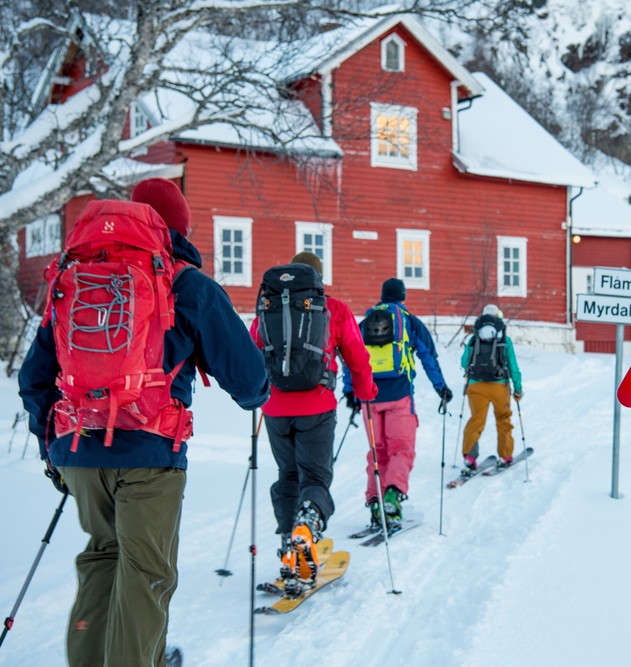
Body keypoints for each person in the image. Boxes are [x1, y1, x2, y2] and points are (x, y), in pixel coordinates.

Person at [18, 178, 270, 667]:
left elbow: (34, 378)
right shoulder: (185, 283)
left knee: (101, 557)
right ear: (179, 227)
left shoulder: (76, 277)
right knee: (144, 572)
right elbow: (249, 378)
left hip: (80, 448)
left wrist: (53, 447)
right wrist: (257, 394)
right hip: (152, 453)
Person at [249, 252, 377, 585]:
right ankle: (306, 530)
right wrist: (365, 391)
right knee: (315, 478)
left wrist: (255, 394)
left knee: (287, 474)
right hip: (317, 407)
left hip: (275, 408)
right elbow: (357, 356)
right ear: (319, 279)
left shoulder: (269, 307)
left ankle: (288, 544)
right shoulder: (332, 308)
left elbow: (252, 350)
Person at [342, 277, 453, 527]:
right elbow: (428, 356)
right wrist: (441, 388)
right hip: (400, 395)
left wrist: (350, 391)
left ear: (382, 296)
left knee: (377, 453)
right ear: (402, 297)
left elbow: (350, 355)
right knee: (401, 448)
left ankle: (374, 503)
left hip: (369, 398)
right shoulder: (409, 322)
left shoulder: (363, 324)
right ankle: (392, 496)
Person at [460, 304, 524, 469]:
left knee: (476, 420)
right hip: (499, 386)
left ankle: (469, 456)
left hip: (476, 385)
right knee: (503, 419)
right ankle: (505, 456)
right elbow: (513, 366)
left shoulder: (474, 339)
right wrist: (518, 388)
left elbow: (464, 362)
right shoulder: (505, 340)